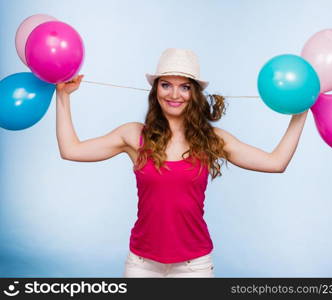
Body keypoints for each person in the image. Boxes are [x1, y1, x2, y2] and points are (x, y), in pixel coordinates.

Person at [56, 48, 308, 278]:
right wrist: (63, 96)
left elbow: (275, 162)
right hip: (142, 263)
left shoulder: (212, 139)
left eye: (184, 87)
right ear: (156, 90)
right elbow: (71, 150)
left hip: (193, 266)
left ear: (194, 94)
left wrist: (301, 112)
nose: (174, 94)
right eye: (166, 85)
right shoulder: (133, 135)